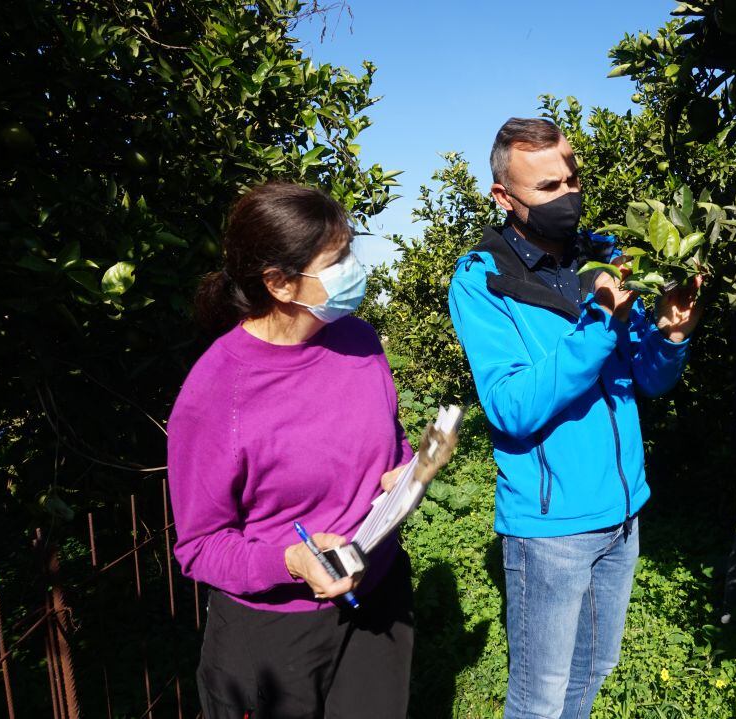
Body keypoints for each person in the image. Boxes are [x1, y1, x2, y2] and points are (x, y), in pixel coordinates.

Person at [447, 118, 705, 719]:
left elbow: (650, 379)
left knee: (591, 677)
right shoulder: (483, 279)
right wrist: (599, 326)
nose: (567, 195)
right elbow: (511, 407)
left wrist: (671, 337)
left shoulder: (609, 256)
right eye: (546, 187)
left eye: (572, 178)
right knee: (540, 700)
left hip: (623, 514)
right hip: (551, 528)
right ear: (503, 197)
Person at [167, 182, 415, 718]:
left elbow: (388, 436)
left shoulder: (358, 339)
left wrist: (402, 470)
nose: (354, 267)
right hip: (277, 632)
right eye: (338, 259)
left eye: (351, 250)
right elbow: (200, 546)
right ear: (279, 283)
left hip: (380, 595)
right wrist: (291, 560)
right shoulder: (217, 394)